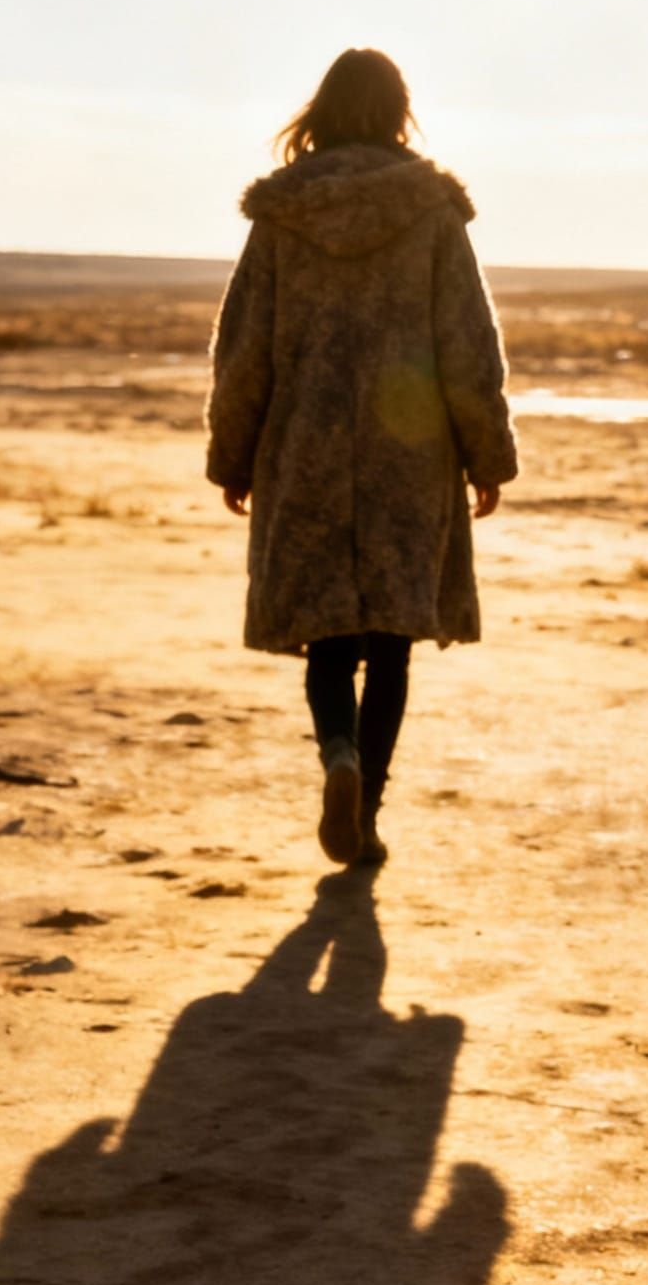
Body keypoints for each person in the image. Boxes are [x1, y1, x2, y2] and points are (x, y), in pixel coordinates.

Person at [206, 47, 518, 870]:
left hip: (303, 447)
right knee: (392, 643)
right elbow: (467, 344)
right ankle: (366, 812)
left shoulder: (281, 218)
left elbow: (245, 351)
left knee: (327, 639)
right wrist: (488, 452)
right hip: (408, 457)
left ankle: (337, 756)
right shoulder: (433, 211)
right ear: (398, 111)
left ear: (322, 111)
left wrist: (232, 454)